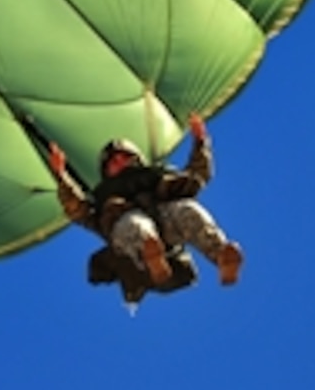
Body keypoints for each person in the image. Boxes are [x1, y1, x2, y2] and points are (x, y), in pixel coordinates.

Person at [48, 113, 243, 303]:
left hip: (166, 221)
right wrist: (61, 176)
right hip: (129, 234)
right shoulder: (103, 199)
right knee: (134, 224)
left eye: (124, 157)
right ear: (106, 172)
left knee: (188, 209)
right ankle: (152, 259)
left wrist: (200, 141)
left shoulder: (158, 176)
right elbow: (78, 209)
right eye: (113, 162)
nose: (120, 163)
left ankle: (221, 256)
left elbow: (197, 174)